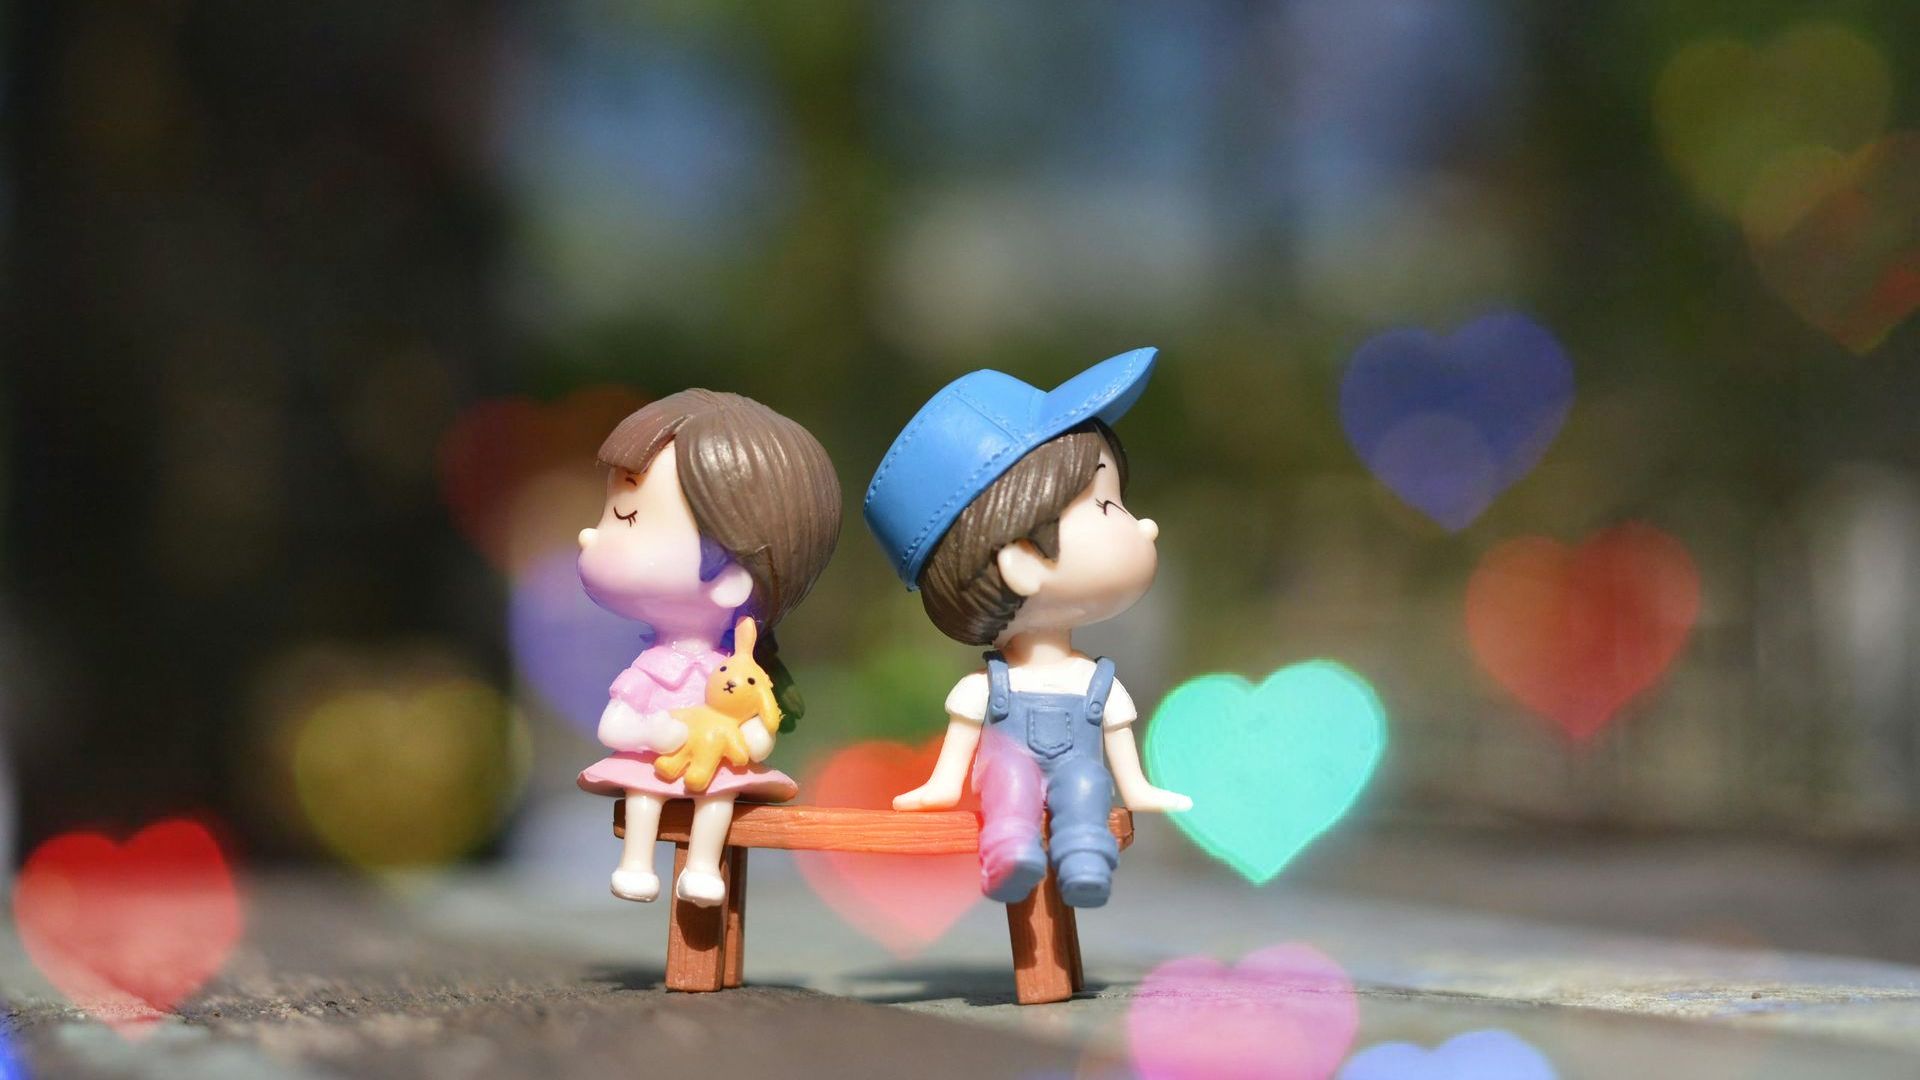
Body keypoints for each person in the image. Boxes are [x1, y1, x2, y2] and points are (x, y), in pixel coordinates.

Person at [864, 348, 1190, 908]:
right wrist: (942, 787)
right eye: (1107, 505)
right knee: (1009, 785)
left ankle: (1086, 858)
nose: (1147, 525)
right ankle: (1008, 853)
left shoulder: (1097, 681)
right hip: (1007, 766)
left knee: (1088, 784)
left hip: (1076, 767)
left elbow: (1117, 746)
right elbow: (962, 745)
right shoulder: (984, 687)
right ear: (1022, 559)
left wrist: (1136, 788)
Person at [576, 390, 840, 907]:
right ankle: (636, 863)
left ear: (732, 575)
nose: (589, 535)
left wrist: (736, 739)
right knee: (643, 791)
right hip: (658, 764)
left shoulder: (737, 673)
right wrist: (659, 731)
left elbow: (759, 739)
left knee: (719, 794)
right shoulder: (654, 668)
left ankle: (702, 867)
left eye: (626, 517)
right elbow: (614, 727)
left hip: (714, 767)